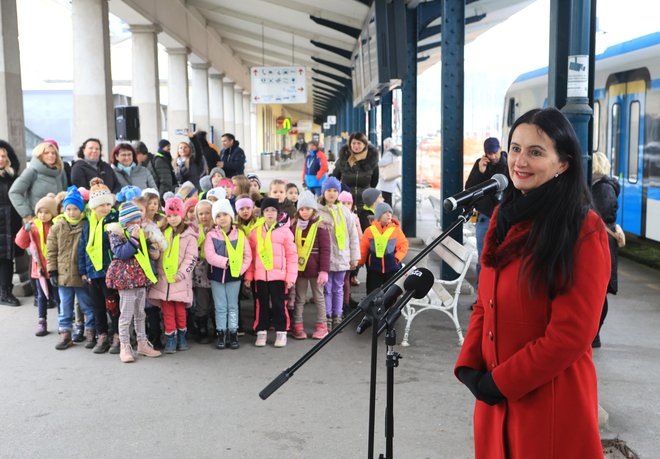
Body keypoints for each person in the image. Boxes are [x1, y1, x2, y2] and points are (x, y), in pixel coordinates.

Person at [454, 108, 611, 459]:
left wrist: (500, 382)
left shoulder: (583, 230)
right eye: (515, 148)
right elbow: (484, 302)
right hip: (496, 407)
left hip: (551, 408)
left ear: (563, 164)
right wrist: (470, 366)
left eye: (536, 152)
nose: (519, 161)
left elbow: (571, 335)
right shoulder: (502, 216)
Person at [105, 201, 162, 362]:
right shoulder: (116, 233)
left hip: (140, 278)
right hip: (125, 279)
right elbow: (122, 254)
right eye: (133, 222)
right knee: (126, 314)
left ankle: (142, 343)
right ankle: (124, 345)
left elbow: (145, 255)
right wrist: (134, 239)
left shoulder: (141, 232)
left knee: (140, 313)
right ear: (125, 222)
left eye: (138, 221)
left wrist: (152, 249)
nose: (137, 224)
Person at [148, 197, 199, 354]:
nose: (172, 218)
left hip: (180, 281)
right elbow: (157, 257)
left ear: (182, 214)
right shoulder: (162, 233)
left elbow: (191, 258)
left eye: (175, 214)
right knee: (167, 313)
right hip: (164, 281)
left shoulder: (189, 235)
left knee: (180, 312)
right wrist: (154, 250)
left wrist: (181, 274)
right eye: (169, 215)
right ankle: (171, 339)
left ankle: (182, 337)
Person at [46, 186, 95, 350]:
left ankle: (90, 331)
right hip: (63, 275)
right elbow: (51, 251)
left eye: (75, 209)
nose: (72, 212)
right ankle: (65, 333)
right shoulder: (57, 227)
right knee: (65, 307)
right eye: (68, 209)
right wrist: (52, 270)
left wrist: (88, 271)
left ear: (81, 210)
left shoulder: (86, 226)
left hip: (80, 275)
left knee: (87, 305)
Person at [244, 198, 297, 348]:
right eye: (267, 210)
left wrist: (290, 276)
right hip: (260, 276)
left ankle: (281, 332)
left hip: (279, 276)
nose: (270, 213)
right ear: (262, 213)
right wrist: (249, 276)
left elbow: (292, 256)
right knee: (261, 305)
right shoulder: (256, 232)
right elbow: (252, 257)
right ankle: (261, 331)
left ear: (278, 213)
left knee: (279, 304)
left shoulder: (285, 232)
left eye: (273, 210)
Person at [78, 178, 120, 354]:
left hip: (109, 272)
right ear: (93, 207)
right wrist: (82, 271)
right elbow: (82, 248)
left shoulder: (114, 221)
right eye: (101, 205)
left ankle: (118, 335)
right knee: (97, 307)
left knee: (113, 305)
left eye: (107, 205)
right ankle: (102, 335)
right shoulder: (88, 225)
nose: (105, 208)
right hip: (92, 273)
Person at [205, 199, 252, 349]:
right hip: (217, 276)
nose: (222, 218)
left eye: (225, 214)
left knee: (232, 306)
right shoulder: (211, 235)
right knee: (220, 306)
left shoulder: (240, 235)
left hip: (234, 276)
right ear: (215, 219)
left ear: (231, 216)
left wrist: (240, 269)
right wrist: (226, 262)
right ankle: (221, 332)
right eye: (218, 215)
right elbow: (210, 255)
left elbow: (247, 255)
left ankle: (233, 332)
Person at [317, 177, 360, 332]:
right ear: (323, 191)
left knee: (339, 287)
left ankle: (338, 315)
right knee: (326, 288)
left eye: (335, 190)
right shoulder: (317, 211)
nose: (332, 193)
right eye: (329, 190)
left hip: (342, 257)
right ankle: (327, 315)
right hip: (326, 259)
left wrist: (354, 257)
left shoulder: (344, 211)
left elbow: (353, 235)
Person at [465, 137, 508, 285]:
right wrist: (481, 172)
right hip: (484, 216)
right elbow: (469, 188)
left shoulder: (508, 164)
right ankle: (481, 297)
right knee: (483, 257)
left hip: (504, 217)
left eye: (495, 152)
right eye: (489, 154)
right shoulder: (481, 164)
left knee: (504, 256)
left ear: (500, 149)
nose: (493, 156)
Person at [289, 191, 331, 340]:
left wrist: (324, 270)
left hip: (316, 271)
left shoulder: (321, 226)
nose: (304, 212)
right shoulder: (294, 226)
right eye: (301, 209)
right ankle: (298, 326)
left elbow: (326, 250)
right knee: (299, 299)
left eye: (307, 208)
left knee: (319, 297)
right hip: (299, 270)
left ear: (314, 209)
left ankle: (322, 326)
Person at [15, 195, 58, 336]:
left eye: (46, 212)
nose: (43, 215)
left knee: (58, 296)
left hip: (54, 268)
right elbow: (21, 243)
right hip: (39, 270)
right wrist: (24, 230)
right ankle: (42, 321)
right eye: (40, 212)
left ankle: (63, 322)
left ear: (53, 213)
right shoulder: (33, 226)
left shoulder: (56, 226)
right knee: (41, 296)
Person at [591, 151, 620, 348]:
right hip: (602, 242)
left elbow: (601, 214)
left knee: (601, 292)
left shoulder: (603, 188)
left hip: (604, 244)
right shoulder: (598, 186)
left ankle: (595, 335)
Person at [9, 141, 68, 227]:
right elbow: (14, 192)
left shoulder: (60, 172)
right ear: (39, 156)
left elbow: (64, 193)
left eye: (53, 153)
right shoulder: (32, 171)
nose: (51, 155)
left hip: (58, 221)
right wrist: (27, 215)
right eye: (46, 153)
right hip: (38, 221)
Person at [359, 202, 409, 294]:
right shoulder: (369, 231)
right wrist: (360, 262)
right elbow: (363, 248)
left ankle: (388, 308)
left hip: (392, 268)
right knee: (372, 292)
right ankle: (371, 308)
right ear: (378, 216)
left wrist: (397, 258)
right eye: (385, 213)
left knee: (390, 293)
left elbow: (403, 245)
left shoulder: (396, 230)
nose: (388, 215)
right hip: (374, 269)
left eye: (390, 212)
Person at [0, 140, 22, 306]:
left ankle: (5, 292)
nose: (1, 159)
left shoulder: (13, 176)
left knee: (7, 259)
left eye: (3, 156)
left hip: (9, 222)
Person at [331, 132, 379, 207]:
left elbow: (374, 182)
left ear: (364, 145)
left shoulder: (372, 161)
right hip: (345, 202)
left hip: (365, 202)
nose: (356, 146)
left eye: (359, 143)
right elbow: (335, 178)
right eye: (353, 143)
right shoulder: (343, 160)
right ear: (350, 144)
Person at [192, 199, 214, 344]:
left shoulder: (217, 228)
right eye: (201, 214)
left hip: (215, 269)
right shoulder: (194, 230)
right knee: (202, 300)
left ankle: (217, 326)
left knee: (216, 300)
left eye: (208, 213)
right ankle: (202, 328)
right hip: (200, 270)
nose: (204, 216)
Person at [376, 137, 402, 206]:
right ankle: (388, 213)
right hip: (391, 180)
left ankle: (387, 213)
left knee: (386, 199)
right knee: (388, 198)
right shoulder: (395, 153)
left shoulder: (389, 153)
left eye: (384, 145)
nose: (384, 146)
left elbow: (383, 163)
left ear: (387, 145)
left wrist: (376, 163)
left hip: (386, 181)